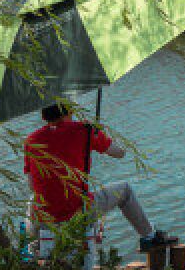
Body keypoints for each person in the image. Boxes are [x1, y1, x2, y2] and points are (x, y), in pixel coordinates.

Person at [24, 102, 175, 255]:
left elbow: (32, 185)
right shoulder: (84, 130)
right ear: (68, 111)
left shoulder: (30, 140)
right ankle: (149, 237)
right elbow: (120, 153)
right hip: (77, 211)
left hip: (45, 218)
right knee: (125, 190)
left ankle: (37, 242)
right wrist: (98, 133)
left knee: (32, 200)